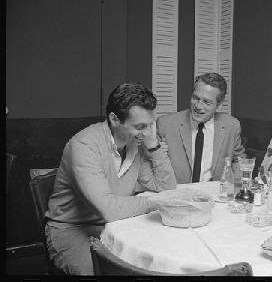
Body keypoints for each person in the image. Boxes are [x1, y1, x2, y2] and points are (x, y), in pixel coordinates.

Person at [46, 83, 185, 275]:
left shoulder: (136, 142)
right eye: (140, 126)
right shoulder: (85, 145)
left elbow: (166, 188)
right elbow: (108, 209)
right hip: (73, 228)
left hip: (118, 226)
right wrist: (156, 202)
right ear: (114, 119)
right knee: (99, 272)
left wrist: (154, 147)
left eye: (150, 124)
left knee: (158, 261)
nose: (146, 132)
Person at [157, 72, 245, 183]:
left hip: (214, 195)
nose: (198, 106)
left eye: (206, 102)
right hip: (176, 194)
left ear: (219, 104)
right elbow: (151, 165)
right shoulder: (165, 124)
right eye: (195, 98)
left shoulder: (232, 126)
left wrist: (236, 187)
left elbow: (238, 160)